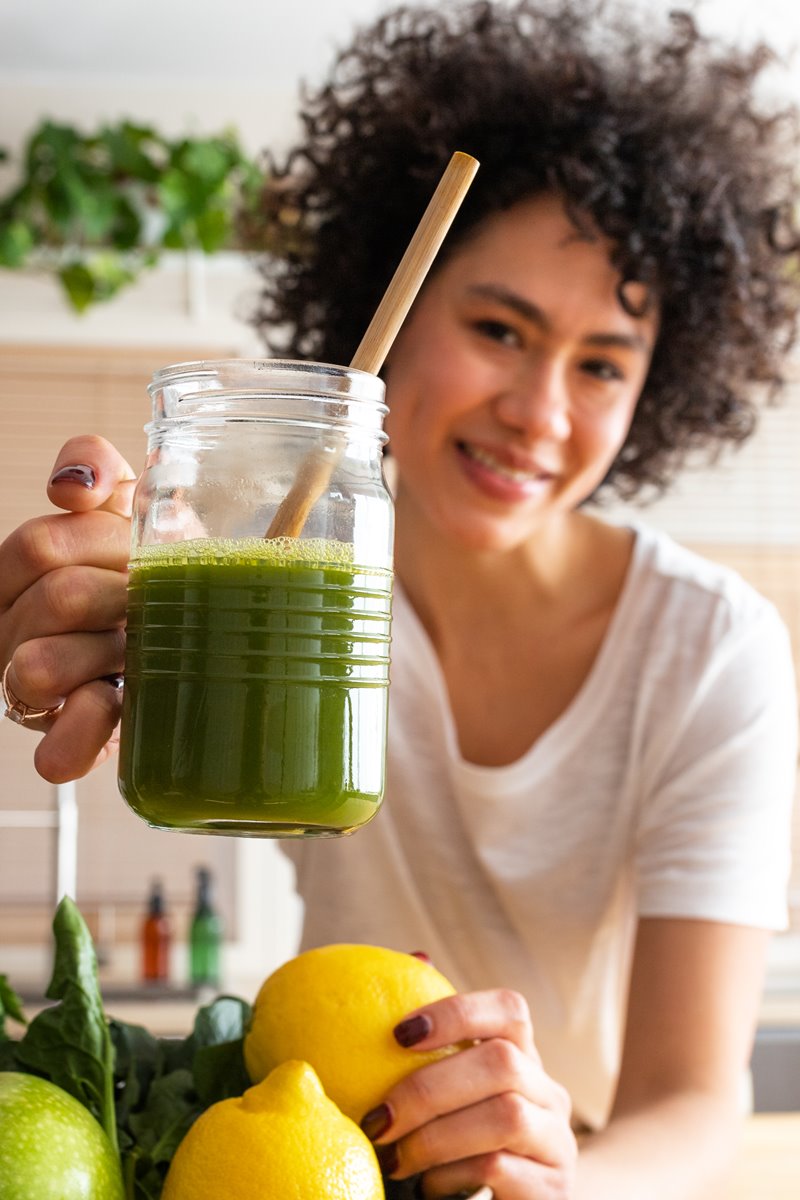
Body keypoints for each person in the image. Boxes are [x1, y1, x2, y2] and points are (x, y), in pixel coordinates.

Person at [2, 1, 800, 1196]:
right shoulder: (285, 574)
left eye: (599, 365)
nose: (539, 412)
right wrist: (104, 617)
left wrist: (565, 1179)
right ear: (386, 313)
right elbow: (180, 705)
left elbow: (692, 1099)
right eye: (497, 327)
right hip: (301, 1159)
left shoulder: (706, 649)